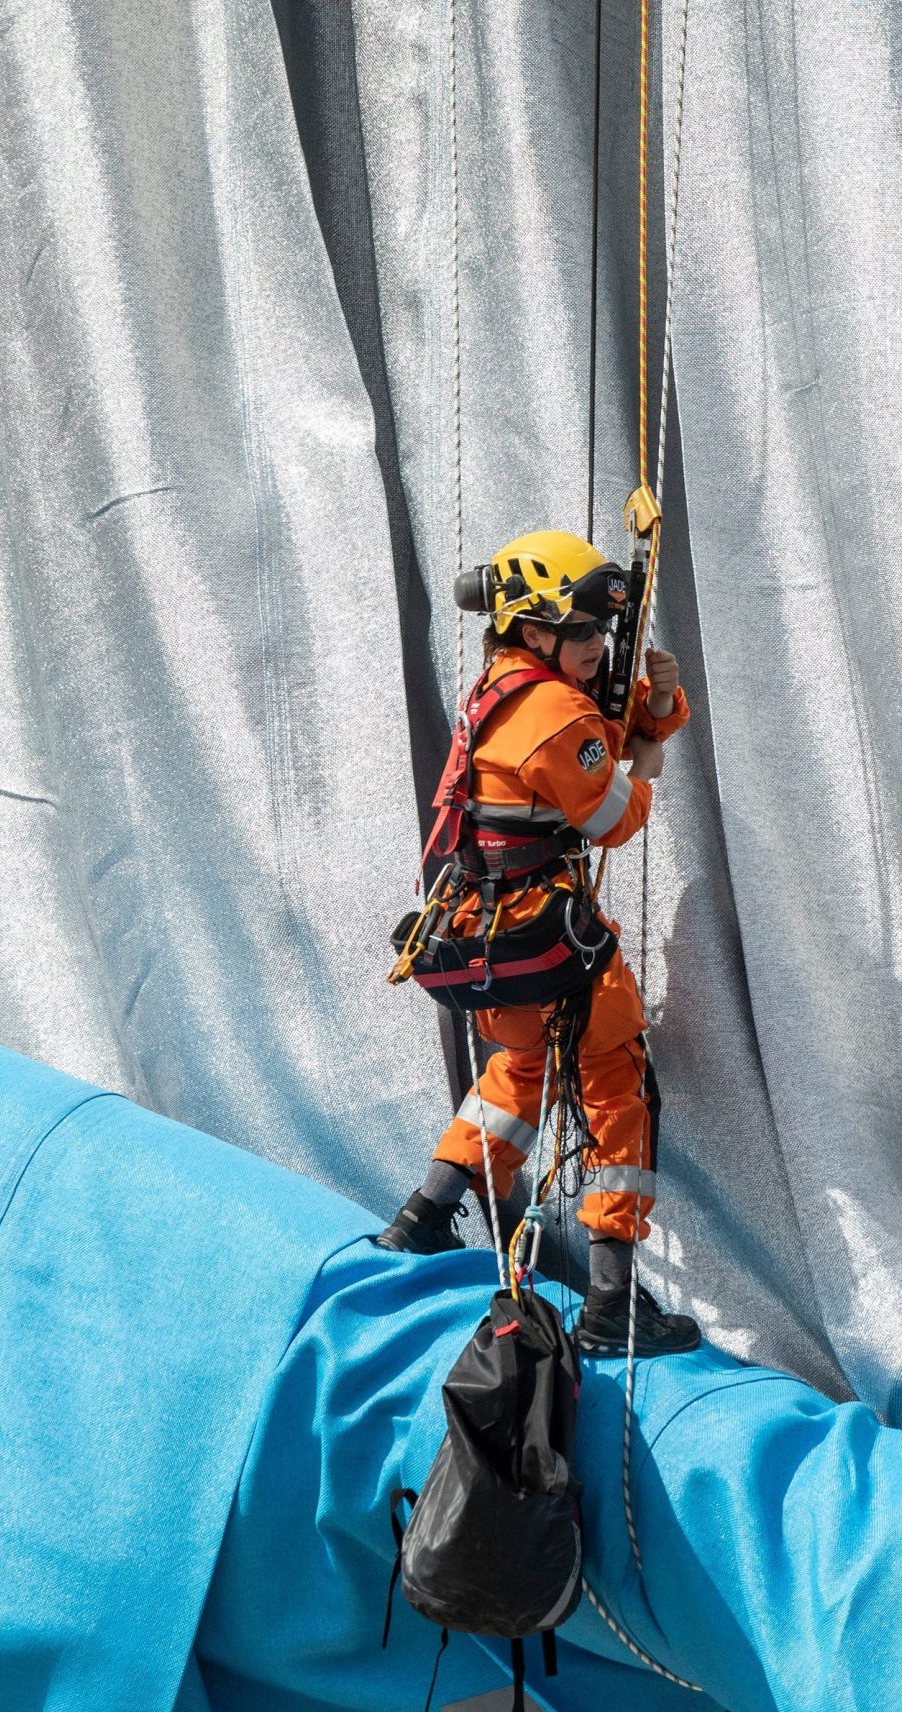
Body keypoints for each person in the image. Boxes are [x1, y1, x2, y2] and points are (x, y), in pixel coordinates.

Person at [377, 528, 699, 1358]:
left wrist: (656, 706)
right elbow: (611, 814)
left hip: (491, 930)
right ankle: (610, 1301)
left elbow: (603, 736)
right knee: (618, 1088)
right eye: (583, 632)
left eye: (600, 632)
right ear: (535, 629)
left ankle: (423, 1214)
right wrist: (650, 755)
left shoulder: (503, 687)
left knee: (517, 1078)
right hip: (548, 938)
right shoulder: (555, 711)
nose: (597, 647)